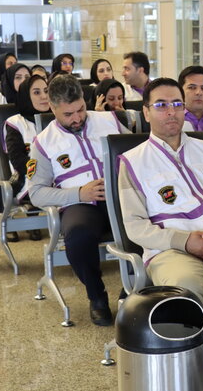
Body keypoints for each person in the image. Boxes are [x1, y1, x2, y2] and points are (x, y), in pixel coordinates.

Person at [118, 77, 203, 391]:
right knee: (186, 292)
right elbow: (135, 227)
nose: (171, 112)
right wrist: (186, 241)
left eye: (177, 104)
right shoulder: (133, 161)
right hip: (171, 250)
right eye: (161, 105)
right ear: (146, 112)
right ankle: (188, 380)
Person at [26, 73, 130, 326]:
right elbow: (36, 193)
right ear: (52, 108)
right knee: (78, 236)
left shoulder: (110, 121)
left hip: (122, 197)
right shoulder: (43, 143)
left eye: (81, 110)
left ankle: (132, 290)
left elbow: (139, 152)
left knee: (150, 223)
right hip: (82, 204)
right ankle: (97, 296)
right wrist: (79, 193)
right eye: (68, 114)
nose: (77, 118)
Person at [3, 74, 49, 242]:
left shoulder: (57, 118)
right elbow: (17, 159)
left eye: (46, 91)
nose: (44, 96)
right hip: (29, 178)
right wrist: (44, 173)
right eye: (36, 92)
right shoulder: (15, 123)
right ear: (25, 96)